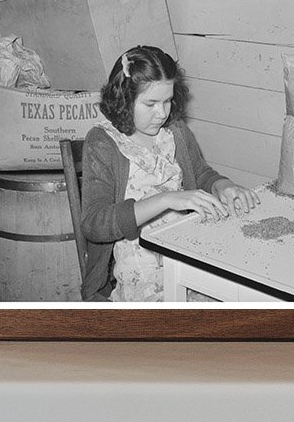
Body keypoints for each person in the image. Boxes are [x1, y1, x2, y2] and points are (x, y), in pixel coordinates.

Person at [80, 45, 260, 302]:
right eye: (150, 103)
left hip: (188, 253)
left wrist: (223, 185)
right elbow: (94, 224)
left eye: (167, 101)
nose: (162, 113)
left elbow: (201, 173)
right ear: (124, 98)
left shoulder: (174, 131)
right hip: (142, 274)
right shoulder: (103, 142)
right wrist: (166, 200)